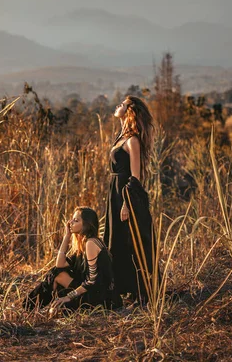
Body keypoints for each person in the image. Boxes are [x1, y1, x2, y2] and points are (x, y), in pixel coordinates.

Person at [103, 95, 156, 303]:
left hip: (126, 194)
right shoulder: (121, 136)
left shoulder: (133, 140)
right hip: (114, 193)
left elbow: (136, 176)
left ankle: (138, 291)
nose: (118, 105)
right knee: (116, 240)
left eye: (123, 104)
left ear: (130, 110)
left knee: (129, 240)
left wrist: (127, 203)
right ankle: (121, 288)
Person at [23, 207, 122, 311]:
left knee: (64, 307)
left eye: (76, 220)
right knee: (55, 273)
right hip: (90, 291)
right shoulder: (83, 244)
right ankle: (32, 307)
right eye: (72, 219)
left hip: (101, 297)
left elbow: (92, 281)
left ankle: (31, 306)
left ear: (86, 224)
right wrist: (67, 236)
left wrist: (69, 296)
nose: (70, 223)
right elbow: (60, 265)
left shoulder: (91, 243)